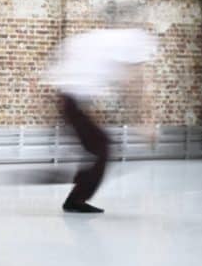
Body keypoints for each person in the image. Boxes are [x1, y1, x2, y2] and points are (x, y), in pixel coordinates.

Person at [44, 20, 156, 213]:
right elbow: (134, 85)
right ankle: (75, 196)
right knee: (102, 146)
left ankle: (77, 187)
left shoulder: (103, 40)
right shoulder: (133, 42)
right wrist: (144, 123)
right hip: (71, 100)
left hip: (68, 99)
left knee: (98, 146)